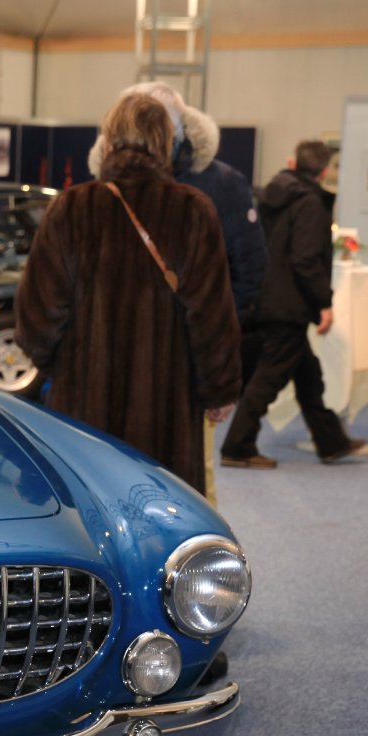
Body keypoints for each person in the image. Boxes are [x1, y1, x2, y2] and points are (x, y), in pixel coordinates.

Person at [16, 92, 241, 497]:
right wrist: (219, 389)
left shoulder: (71, 208)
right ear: (167, 144)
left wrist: (64, 368)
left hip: (83, 411)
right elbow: (211, 317)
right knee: (166, 509)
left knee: (89, 511)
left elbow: (37, 316)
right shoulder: (193, 211)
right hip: (167, 411)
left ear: (107, 141)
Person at [89, 82, 265, 508]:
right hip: (145, 372)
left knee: (166, 491)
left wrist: (214, 374)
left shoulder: (218, 186)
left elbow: (242, 280)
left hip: (155, 372)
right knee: (172, 495)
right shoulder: (98, 198)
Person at [220, 140, 368, 468]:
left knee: (308, 375)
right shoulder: (310, 203)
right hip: (288, 304)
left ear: (293, 163)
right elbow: (306, 260)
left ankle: (331, 441)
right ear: (324, 171)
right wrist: (324, 303)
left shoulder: (269, 197)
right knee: (269, 379)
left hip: (264, 295)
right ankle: (237, 446)